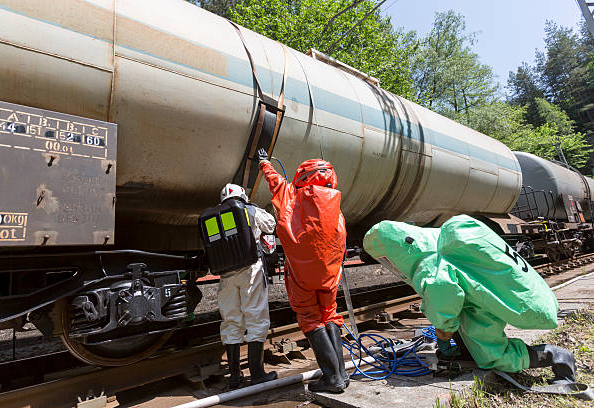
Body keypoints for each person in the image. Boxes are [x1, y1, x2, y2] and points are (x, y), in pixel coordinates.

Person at [363, 214, 579, 384]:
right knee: (472, 337)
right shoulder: (433, 240)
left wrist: (444, 334)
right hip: (497, 295)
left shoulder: (429, 265)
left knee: (492, 356)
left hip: (501, 303)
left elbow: (444, 302)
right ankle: (468, 351)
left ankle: (554, 355)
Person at [257, 148, 347, 393]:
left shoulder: (291, 196)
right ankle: (341, 373)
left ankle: (332, 378)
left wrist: (264, 162)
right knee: (329, 314)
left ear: (302, 176)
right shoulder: (333, 199)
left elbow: (275, 182)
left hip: (303, 276)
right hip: (330, 273)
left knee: (310, 318)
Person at [216, 183, 277, 389]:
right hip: (251, 271)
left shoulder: (214, 215)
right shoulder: (250, 209)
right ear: (243, 195)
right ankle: (257, 373)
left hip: (226, 276)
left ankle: (235, 376)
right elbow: (270, 224)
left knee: (231, 320)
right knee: (256, 317)